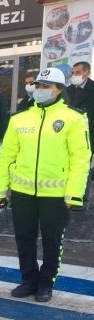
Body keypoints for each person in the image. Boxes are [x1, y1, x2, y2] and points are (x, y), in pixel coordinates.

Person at [0, 67, 91, 303]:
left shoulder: (74, 118)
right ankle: (28, 280)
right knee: (24, 238)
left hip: (56, 195)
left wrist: (74, 194)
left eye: (46, 86)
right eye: (38, 85)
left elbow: (81, 158)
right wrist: (0, 190)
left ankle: (46, 283)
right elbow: (5, 156)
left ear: (59, 90)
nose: (40, 90)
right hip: (22, 192)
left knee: (52, 240)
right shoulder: (19, 118)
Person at [66, 61, 94, 210]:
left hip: (88, 136)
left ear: (86, 73)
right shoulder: (68, 90)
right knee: (68, 165)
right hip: (68, 135)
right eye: (73, 73)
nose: (74, 76)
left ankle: (81, 198)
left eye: (77, 73)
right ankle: (68, 195)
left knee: (83, 167)